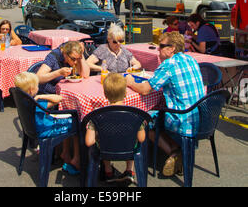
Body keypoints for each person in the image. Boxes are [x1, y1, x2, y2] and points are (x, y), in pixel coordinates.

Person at [125, 31, 204, 177]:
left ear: (172, 48)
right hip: (200, 116)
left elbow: (145, 90)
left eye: (161, 46)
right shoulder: (189, 59)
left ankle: (173, 151)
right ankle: (176, 151)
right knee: (156, 110)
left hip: (182, 119)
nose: (158, 49)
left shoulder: (169, 65)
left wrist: (129, 81)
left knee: (143, 119)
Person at [14, 72, 80, 174]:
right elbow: (59, 98)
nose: (38, 88)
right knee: (76, 122)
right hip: (44, 130)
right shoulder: (38, 103)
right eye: (37, 86)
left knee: (66, 118)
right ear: (32, 90)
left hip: (31, 128)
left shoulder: (23, 99)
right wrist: (41, 97)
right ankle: (77, 159)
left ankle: (62, 152)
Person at [85, 73, 146, 183]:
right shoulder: (135, 115)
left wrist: (99, 134)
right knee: (133, 139)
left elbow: (89, 142)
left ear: (105, 94)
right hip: (129, 148)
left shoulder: (96, 116)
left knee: (103, 140)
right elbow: (141, 138)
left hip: (105, 149)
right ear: (126, 93)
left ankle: (108, 172)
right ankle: (129, 170)